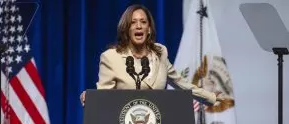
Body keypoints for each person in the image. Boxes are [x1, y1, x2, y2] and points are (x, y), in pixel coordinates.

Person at [80, 4, 223, 106]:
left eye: (143, 22)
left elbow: (181, 83)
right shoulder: (111, 57)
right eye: (133, 23)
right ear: (126, 29)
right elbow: (103, 96)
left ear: (149, 29)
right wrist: (91, 98)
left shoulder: (160, 53)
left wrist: (209, 97)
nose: (138, 26)